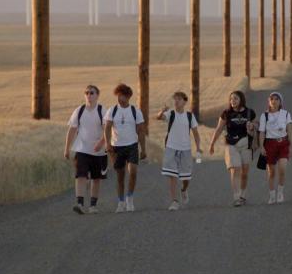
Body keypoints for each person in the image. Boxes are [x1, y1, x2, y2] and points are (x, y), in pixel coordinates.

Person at [63, 84, 108, 215]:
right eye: (87, 93)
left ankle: (93, 205)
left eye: (92, 93)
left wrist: (101, 143)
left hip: (98, 151)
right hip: (82, 149)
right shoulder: (79, 111)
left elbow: (107, 130)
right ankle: (80, 203)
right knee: (80, 175)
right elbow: (72, 130)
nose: (89, 95)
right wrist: (67, 148)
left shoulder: (102, 110)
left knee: (96, 178)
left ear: (97, 95)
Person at [209, 90, 257, 207]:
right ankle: (236, 197)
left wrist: (252, 127)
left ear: (241, 99)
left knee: (244, 172)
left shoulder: (250, 113)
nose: (233, 101)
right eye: (231, 99)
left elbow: (256, 127)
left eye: (235, 98)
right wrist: (212, 144)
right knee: (235, 169)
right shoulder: (226, 113)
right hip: (231, 144)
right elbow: (219, 129)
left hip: (246, 144)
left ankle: (243, 195)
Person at [103, 83, 146, 213]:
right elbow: (107, 127)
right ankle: (121, 202)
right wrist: (107, 144)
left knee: (133, 172)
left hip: (132, 145)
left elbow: (141, 130)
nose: (120, 98)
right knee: (120, 176)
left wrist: (143, 149)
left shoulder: (135, 111)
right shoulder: (112, 110)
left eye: (122, 96)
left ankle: (130, 199)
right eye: (118, 95)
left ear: (128, 97)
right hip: (116, 147)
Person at [155, 91, 201, 211]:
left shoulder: (190, 116)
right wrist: (162, 111)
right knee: (172, 175)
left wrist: (198, 147)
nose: (176, 101)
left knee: (186, 178)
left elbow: (196, 133)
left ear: (185, 101)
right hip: (171, 148)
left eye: (179, 99)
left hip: (185, 149)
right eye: (175, 99)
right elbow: (159, 117)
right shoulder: (171, 113)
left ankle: (184, 190)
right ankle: (174, 201)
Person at [258, 91, 292, 205]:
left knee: (282, 169)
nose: (274, 101)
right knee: (271, 172)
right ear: (269, 101)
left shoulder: (286, 114)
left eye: (276, 99)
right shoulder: (264, 115)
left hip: (283, 143)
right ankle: (272, 194)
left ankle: (280, 193)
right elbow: (262, 132)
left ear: (280, 102)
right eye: (272, 99)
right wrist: (262, 146)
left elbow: (290, 131)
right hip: (270, 144)